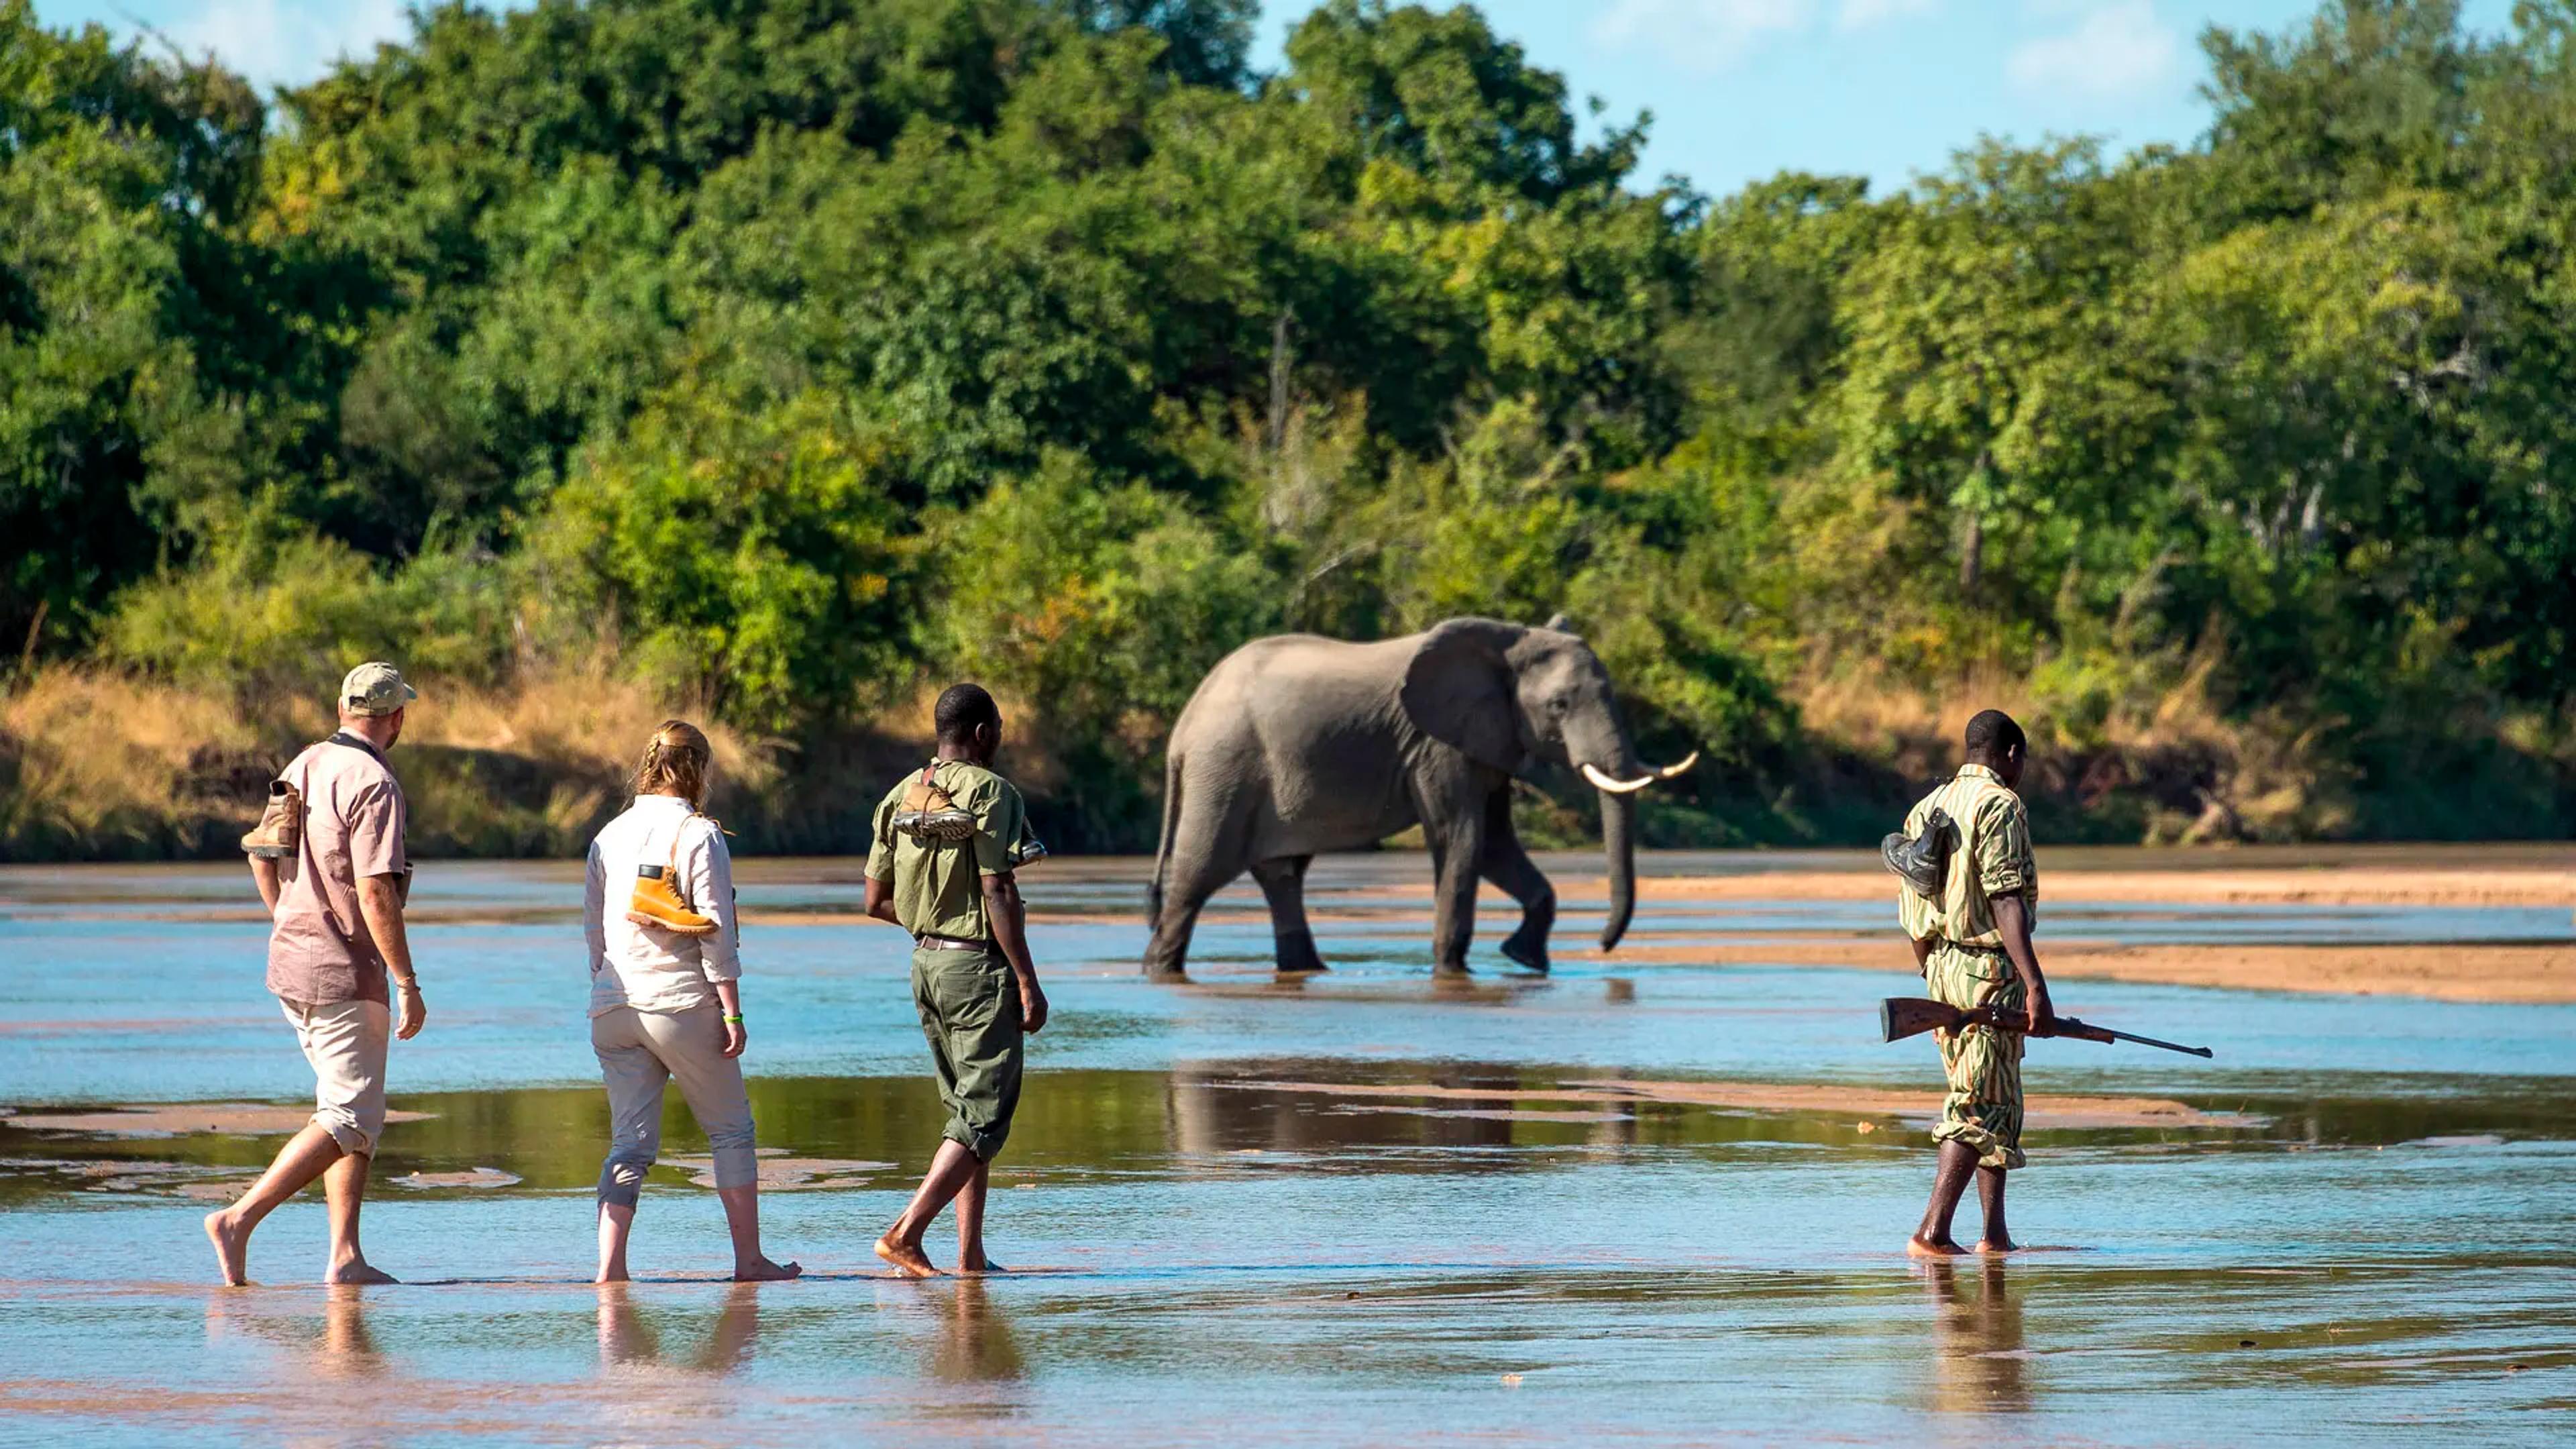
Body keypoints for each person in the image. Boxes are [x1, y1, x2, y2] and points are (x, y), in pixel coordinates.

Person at [207, 662, 427, 1286]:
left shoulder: (303, 764)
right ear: (396, 718)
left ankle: (345, 1256)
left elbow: (262, 852)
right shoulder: (374, 782)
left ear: (341, 707)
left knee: (349, 1110)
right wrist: (406, 981)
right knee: (351, 1117)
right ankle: (239, 1219)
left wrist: (289, 917)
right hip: (343, 972)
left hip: (292, 965)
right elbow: (377, 889)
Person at [585, 720, 798, 1283]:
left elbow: (593, 932)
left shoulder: (608, 834)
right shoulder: (699, 834)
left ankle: (611, 1270)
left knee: (628, 1146)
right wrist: (731, 1010)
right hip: (679, 1003)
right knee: (731, 1132)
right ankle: (749, 1262)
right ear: (699, 768)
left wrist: (606, 986)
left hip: (613, 1004)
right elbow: (714, 931)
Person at [862, 683, 1050, 1277]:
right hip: (976, 968)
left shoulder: (899, 795)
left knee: (966, 1112)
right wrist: (1026, 978)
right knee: (985, 1115)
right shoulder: (995, 792)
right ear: (981, 733)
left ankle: (970, 1255)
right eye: (997, 727)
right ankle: (905, 1234)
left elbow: (875, 900)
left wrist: (930, 926)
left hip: (927, 966)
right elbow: (998, 887)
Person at [1898, 708, 2052, 1258]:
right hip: (1987, 969)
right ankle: (1932, 1233)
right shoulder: (2000, 804)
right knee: (1974, 1103)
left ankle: (1995, 1235)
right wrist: (2034, 983)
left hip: (1941, 968)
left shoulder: (1926, 808)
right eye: (2023, 760)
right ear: (2010, 753)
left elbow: (1912, 911)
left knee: (2000, 1098)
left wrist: (1934, 974)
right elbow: (2006, 896)